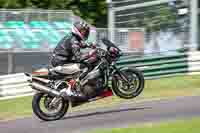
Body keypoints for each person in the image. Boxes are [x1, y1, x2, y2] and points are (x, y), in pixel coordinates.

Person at [50, 21, 95, 100]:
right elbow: (79, 57)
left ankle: (78, 87)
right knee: (84, 67)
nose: (85, 33)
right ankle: (72, 91)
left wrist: (90, 44)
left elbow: (80, 44)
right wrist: (90, 53)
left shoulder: (73, 37)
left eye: (86, 31)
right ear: (78, 30)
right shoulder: (73, 40)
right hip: (61, 62)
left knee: (84, 64)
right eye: (83, 31)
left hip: (61, 60)